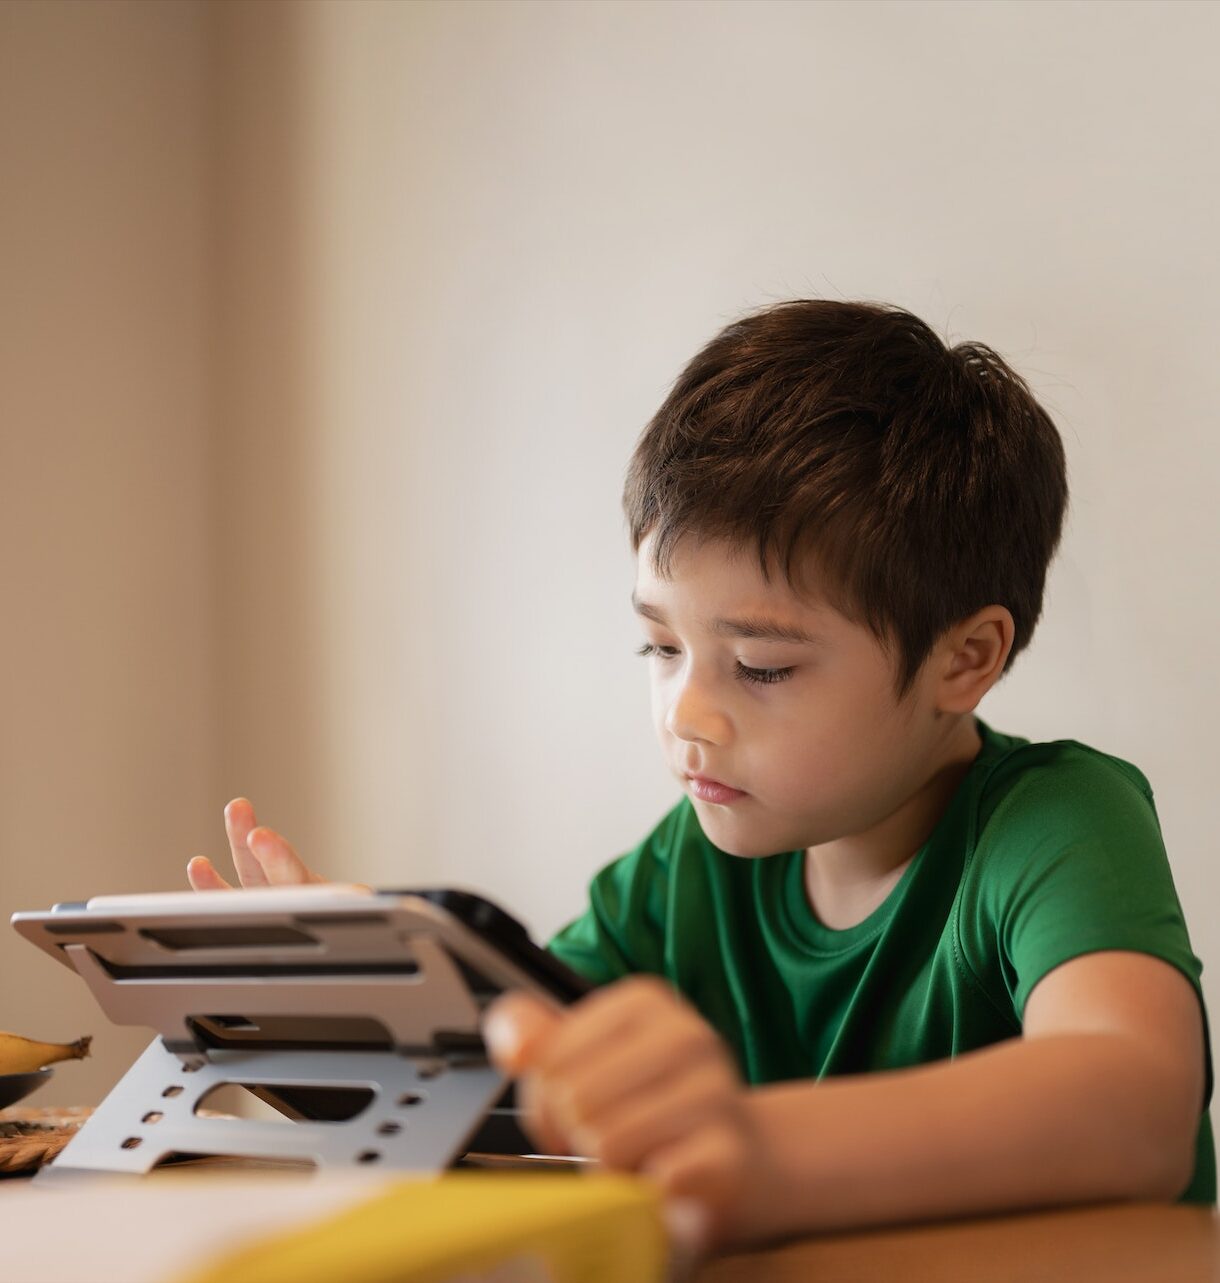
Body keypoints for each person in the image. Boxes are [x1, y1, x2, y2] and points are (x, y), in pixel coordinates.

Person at [187, 300, 1213, 1253]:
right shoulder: (688, 866)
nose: (684, 711)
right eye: (659, 647)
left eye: (760, 665)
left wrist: (759, 1148)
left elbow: (1132, 1104)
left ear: (963, 657)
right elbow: (514, 1097)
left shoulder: (1053, 821)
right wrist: (347, 1016)